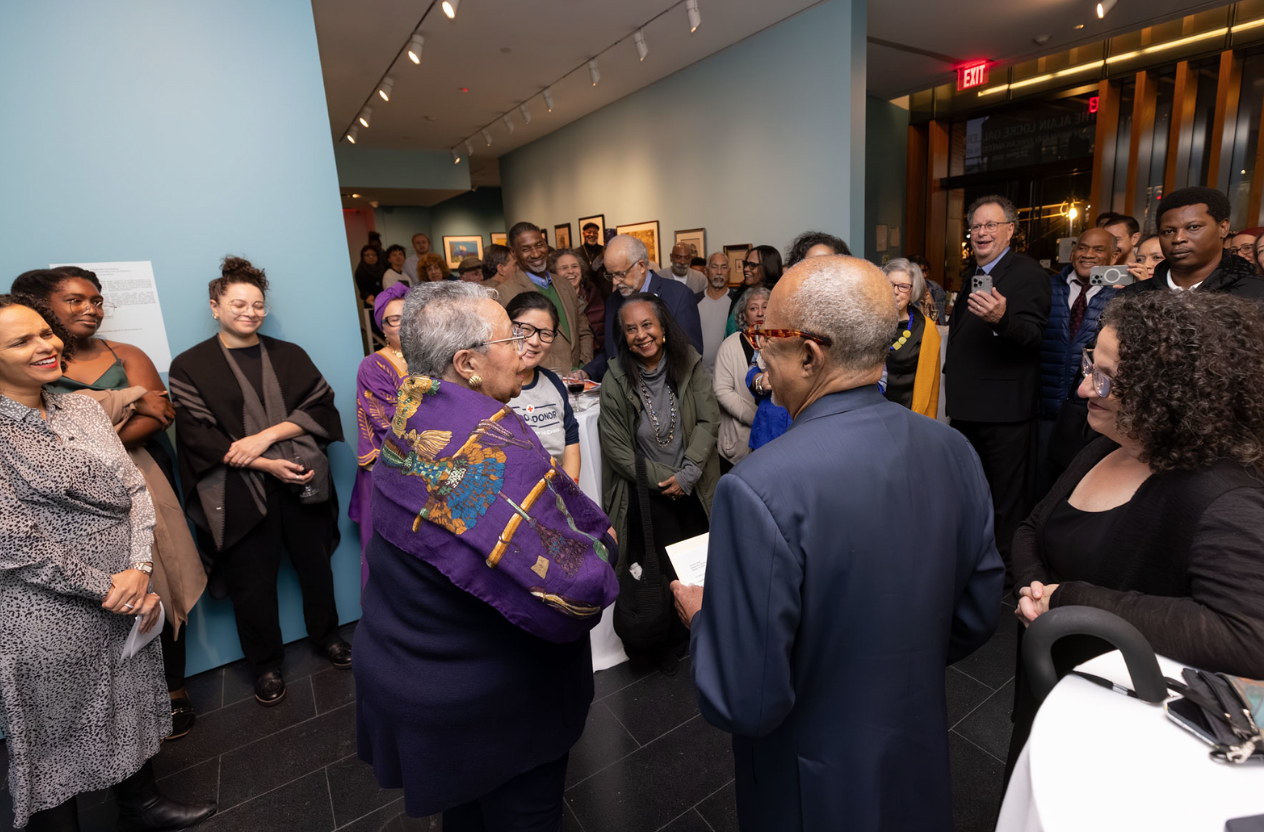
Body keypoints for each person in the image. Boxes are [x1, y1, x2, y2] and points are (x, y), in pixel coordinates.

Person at [671, 255, 1004, 831]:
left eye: (767, 339)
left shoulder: (757, 487)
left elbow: (744, 697)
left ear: (809, 354)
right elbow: (977, 613)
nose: (759, 355)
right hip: (915, 750)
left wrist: (703, 620)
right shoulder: (952, 449)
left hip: (810, 776)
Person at [354, 281, 617, 830]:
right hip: (490, 704)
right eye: (510, 339)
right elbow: (575, 580)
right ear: (468, 363)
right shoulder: (488, 450)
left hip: (415, 673)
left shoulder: (412, 413)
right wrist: (605, 546)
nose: (524, 350)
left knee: (468, 817)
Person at [1008, 290, 1264, 774]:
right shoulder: (1110, 444)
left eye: (1105, 378)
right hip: (1056, 687)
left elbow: (1248, 636)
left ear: (1168, 393)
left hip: (1126, 733)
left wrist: (1069, 602)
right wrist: (1035, 593)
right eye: (1090, 365)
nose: (1084, 389)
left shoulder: (1225, 498)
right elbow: (1032, 527)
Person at [0, 294, 217, 832]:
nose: (46, 345)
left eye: (45, 332)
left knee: (129, 698)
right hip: (46, 609)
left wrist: (139, 568)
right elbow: (14, 540)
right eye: (22, 341)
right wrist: (105, 586)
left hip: (127, 590)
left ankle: (141, 803)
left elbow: (133, 488)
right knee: (54, 726)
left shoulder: (80, 407)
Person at [168, 257, 350, 707]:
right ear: (215, 307)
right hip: (237, 490)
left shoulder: (290, 355)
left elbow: (321, 406)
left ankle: (328, 637)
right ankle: (265, 665)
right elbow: (197, 434)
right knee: (251, 583)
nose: (250, 312)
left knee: (315, 568)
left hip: (301, 480)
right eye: (238, 304)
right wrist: (268, 465)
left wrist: (265, 438)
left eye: (257, 305)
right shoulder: (189, 365)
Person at [599, 293, 719, 667]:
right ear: (623, 336)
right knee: (662, 569)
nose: (641, 335)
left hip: (695, 486)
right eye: (631, 329)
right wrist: (667, 479)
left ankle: (706, 628)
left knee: (699, 563)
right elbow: (616, 448)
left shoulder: (690, 363)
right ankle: (667, 639)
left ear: (662, 327)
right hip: (649, 493)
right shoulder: (616, 378)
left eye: (647, 324)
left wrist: (688, 474)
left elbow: (708, 420)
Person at [946, 195, 1052, 571]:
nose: (982, 232)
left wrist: (1002, 319)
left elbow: (1034, 336)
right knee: (972, 491)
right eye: (976, 226)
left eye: (991, 225)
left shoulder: (1027, 273)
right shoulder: (974, 272)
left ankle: (1008, 570)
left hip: (1004, 411)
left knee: (1007, 497)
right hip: (969, 408)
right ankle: (977, 560)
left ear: (1010, 230)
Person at [1036, 228, 1116, 494]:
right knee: (1041, 486)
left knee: (1084, 486)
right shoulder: (1047, 287)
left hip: (1091, 414)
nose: (1088, 254)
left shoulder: (1122, 295)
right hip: (1044, 410)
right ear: (1072, 252)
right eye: (1083, 247)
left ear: (1113, 257)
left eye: (1098, 249)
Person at [351, 283, 410, 588]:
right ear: (383, 328)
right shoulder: (373, 366)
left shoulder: (436, 358)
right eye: (395, 319)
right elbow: (389, 423)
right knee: (394, 561)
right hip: (390, 470)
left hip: (435, 468)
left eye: (410, 315)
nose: (405, 324)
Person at [589, 235, 704, 380]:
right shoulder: (613, 301)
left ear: (641, 266)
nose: (615, 282)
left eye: (620, 274)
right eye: (610, 275)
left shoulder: (679, 295)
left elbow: (691, 355)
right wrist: (587, 372)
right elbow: (610, 352)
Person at [1123, 186, 1264, 299]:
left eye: (1193, 227)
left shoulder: (1256, 294)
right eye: (1169, 231)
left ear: (1223, 228)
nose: (1178, 239)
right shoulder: (1131, 297)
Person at [495, 223, 593, 376]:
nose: (535, 254)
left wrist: (583, 366)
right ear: (514, 253)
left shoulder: (564, 284)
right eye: (526, 249)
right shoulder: (506, 292)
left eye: (539, 245)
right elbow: (516, 344)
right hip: (541, 377)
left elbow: (584, 331)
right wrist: (568, 370)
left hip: (579, 378)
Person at [505, 292, 581, 480]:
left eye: (545, 334)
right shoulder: (490, 387)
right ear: (506, 327)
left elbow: (571, 440)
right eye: (525, 329)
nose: (534, 341)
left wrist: (569, 491)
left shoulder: (553, 383)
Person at [713, 287, 768, 473]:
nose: (760, 313)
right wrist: (757, 418)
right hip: (737, 444)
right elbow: (722, 390)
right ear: (744, 315)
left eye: (765, 307)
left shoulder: (780, 343)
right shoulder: (730, 345)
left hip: (773, 440)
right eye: (753, 308)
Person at [880, 258, 941, 418]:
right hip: (869, 412)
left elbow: (932, 387)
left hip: (907, 414)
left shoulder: (925, 329)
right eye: (890, 284)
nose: (895, 291)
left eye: (903, 286)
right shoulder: (869, 321)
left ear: (913, 290)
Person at [551, 248, 611, 353]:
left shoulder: (595, 294)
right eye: (564, 268)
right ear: (554, 273)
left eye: (574, 266)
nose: (571, 271)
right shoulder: (552, 301)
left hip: (601, 355)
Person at [724, 245, 784, 337]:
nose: (746, 269)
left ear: (768, 267)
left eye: (752, 265)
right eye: (746, 264)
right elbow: (730, 332)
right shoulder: (740, 294)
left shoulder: (780, 298)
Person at [696, 252, 732, 377]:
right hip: (700, 376)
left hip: (729, 374)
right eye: (714, 267)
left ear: (729, 272)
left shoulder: (737, 302)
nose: (719, 272)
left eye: (723, 267)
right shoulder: (694, 302)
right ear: (706, 271)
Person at [908, 253, 947, 322]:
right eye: (920, 272)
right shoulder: (904, 289)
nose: (925, 275)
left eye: (926, 271)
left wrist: (931, 305)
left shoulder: (936, 288)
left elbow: (940, 321)